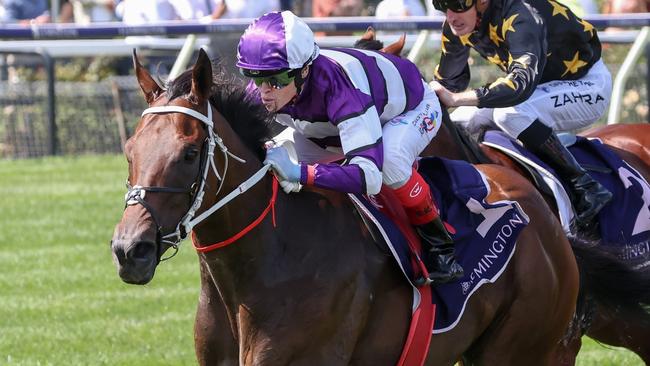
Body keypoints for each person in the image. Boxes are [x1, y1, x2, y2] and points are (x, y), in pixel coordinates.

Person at [237, 11, 463, 284]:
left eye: (276, 80)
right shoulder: (274, 82)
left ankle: (441, 249)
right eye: (255, 76)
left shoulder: (340, 89)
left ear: (305, 70)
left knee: (389, 163)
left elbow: (369, 177)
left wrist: (301, 173)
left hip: (411, 108)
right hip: (333, 125)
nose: (264, 91)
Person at [430, 0, 613, 231]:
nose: (451, 16)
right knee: (458, 123)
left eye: (457, 5)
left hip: (586, 85)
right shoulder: (457, 25)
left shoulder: (520, 15)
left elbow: (519, 85)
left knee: (509, 115)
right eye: (442, 5)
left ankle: (585, 186)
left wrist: (456, 99)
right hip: (540, 88)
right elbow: (450, 83)